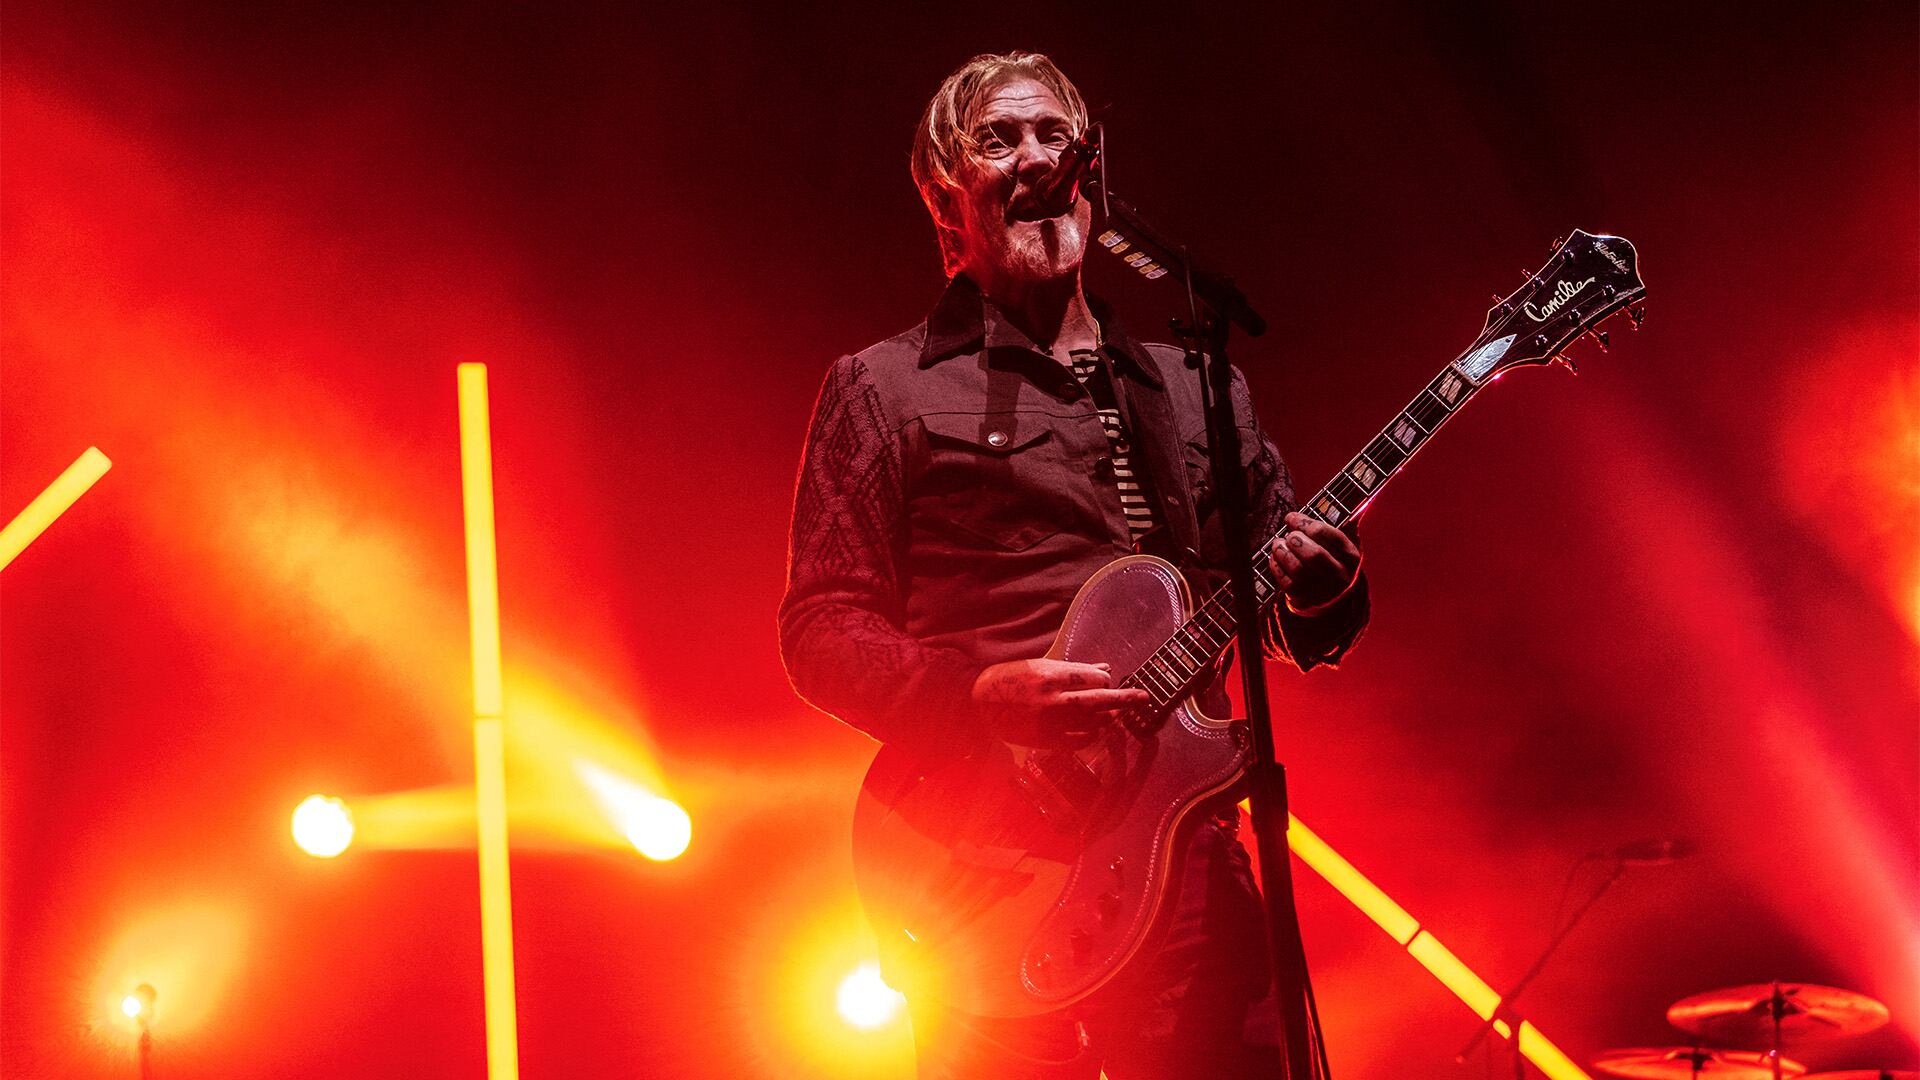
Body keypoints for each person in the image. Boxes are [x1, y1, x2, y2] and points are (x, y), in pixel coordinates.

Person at [778, 51, 1368, 1079]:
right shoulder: (883, 389)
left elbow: (1284, 615)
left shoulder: (1195, 385)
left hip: (1181, 855)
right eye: (999, 140)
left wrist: (1323, 582)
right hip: (984, 858)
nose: (1036, 158)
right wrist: (977, 697)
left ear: (1093, 178)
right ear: (946, 197)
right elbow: (821, 627)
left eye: (1056, 136)